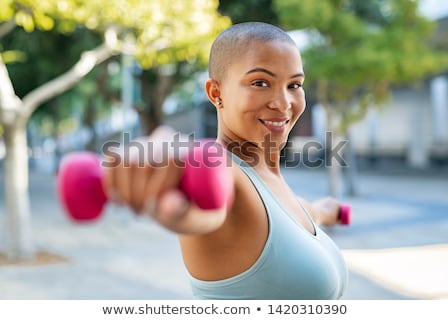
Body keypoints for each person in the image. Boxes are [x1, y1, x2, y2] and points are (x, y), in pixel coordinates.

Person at [103, 22, 348, 300]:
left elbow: (298, 214)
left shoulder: (269, 179)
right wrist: (172, 159)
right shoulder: (226, 175)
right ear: (215, 93)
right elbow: (207, 199)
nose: (283, 102)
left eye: (294, 84)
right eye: (260, 82)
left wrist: (330, 212)